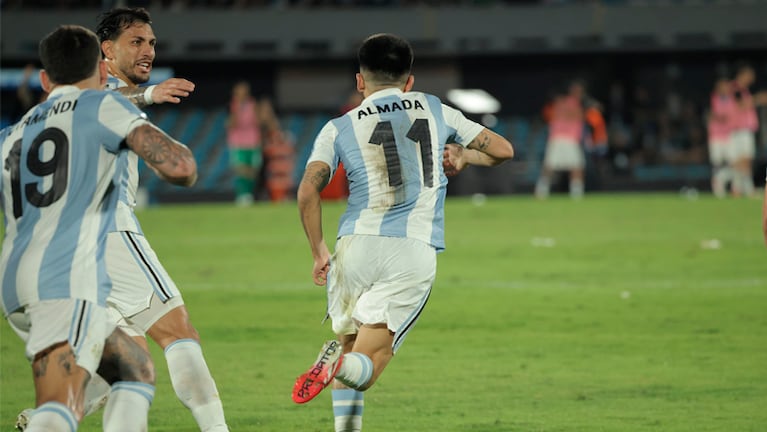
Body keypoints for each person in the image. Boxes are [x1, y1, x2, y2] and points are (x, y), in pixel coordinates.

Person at [291, 33, 514, 432]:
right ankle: (337, 365)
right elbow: (503, 151)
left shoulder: (338, 126)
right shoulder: (435, 108)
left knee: (350, 345)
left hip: (353, 248)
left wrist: (318, 250)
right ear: (409, 80)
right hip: (409, 250)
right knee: (366, 366)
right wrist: (464, 155)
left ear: (360, 81)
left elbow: (308, 189)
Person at [2, 24, 195, 432]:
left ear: (44, 79)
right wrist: (180, 158)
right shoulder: (102, 106)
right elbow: (179, 168)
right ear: (102, 71)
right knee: (60, 405)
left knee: (134, 369)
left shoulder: (14, 133)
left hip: (14, 283)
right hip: (64, 278)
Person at [535, 80, 592, 199]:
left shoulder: (572, 103)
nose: (579, 93)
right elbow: (576, 116)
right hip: (560, 137)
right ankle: (541, 192)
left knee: (576, 167)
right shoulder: (566, 103)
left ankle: (576, 194)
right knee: (551, 166)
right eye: (577, 90)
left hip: (571, 139)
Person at [729, 64, 763, 198]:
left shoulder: (743, 90)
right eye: (749, 75)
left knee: (741, 159)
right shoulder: (735, 88)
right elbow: (739, 105)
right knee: (745, 159)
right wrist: (757, 99)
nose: (752, 78)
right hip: (740, 128)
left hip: (742, 129)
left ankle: (737, 188)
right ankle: (747, 188)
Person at [226, 80, 262, 206]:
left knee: (252, 171)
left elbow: (258, 122)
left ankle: (249, 194)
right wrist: (237, 108)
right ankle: (242, 196)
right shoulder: (233, 105)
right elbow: (231, 124)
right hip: (238, 142)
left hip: (252, 142)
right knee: (241, 169)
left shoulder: (253, 104)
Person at [707, 76, 735, 198]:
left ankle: (723, 182)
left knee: (731, 162)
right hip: (716, 135)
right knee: (717, 162)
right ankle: (718, 189)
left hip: (728, 135)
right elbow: (716, 115)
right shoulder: (713, 99)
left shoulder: (731, 99)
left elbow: (729, 115)